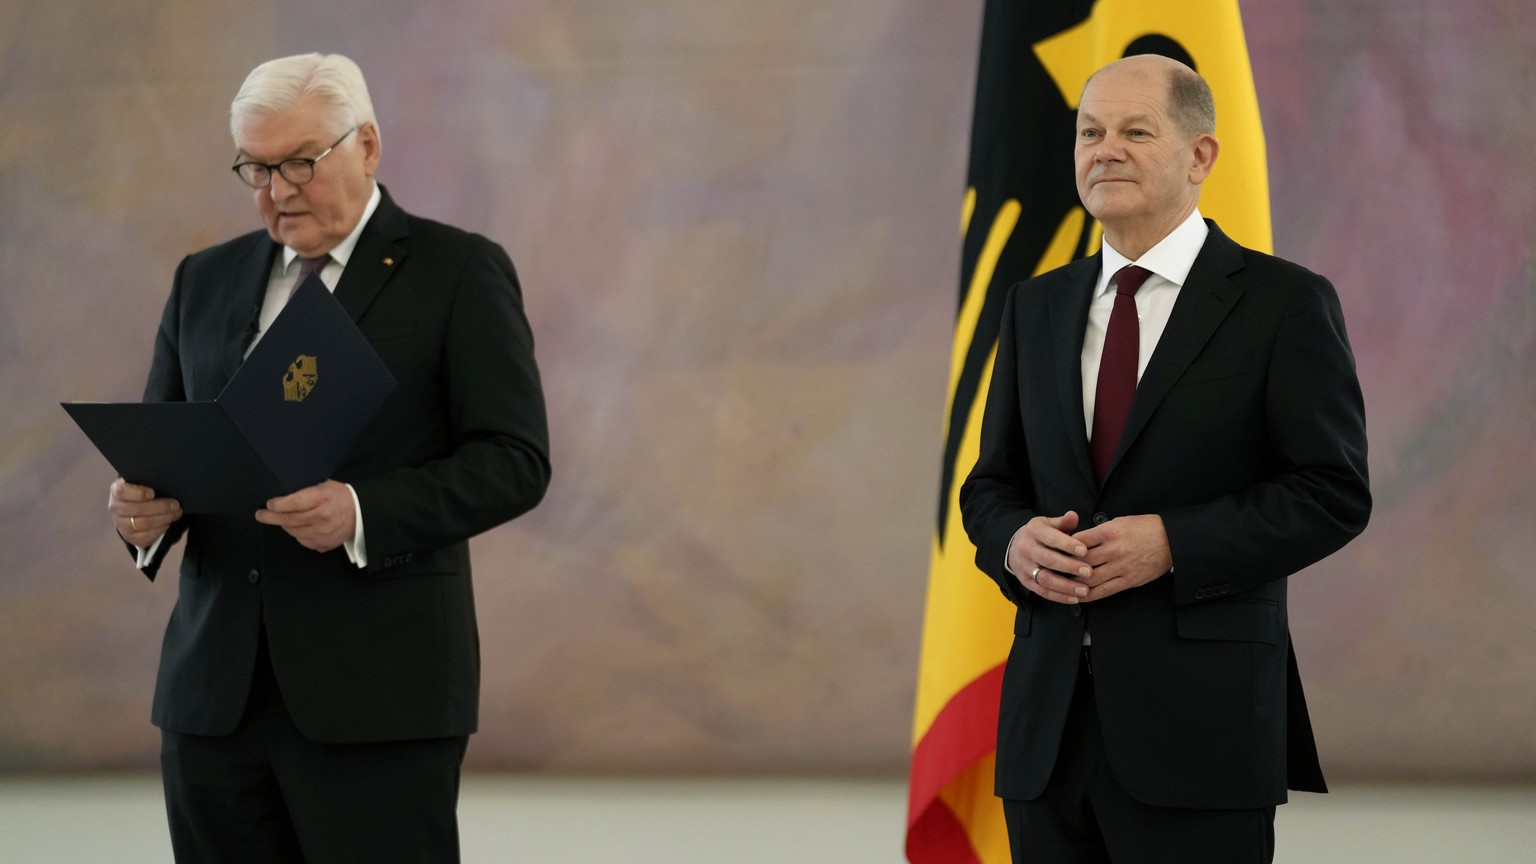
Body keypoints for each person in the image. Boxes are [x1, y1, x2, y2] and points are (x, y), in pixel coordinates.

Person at [105, 53, 550, 863]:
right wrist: (141, 519)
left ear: (369, 146)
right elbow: (164, 454)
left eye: (301, 162)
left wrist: (361, 511)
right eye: (257, 167)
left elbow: (515, 459)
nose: (278, 190)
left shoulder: (458, 273)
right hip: (212, 702)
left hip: (380, 699)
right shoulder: (202, 279)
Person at [959, 54, 1369, 864]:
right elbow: (990, 484)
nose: (1103, 150)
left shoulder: (1283, 304)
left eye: (1134, 131)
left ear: (1200, 155)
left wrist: (1173, 544)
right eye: (1089, 132)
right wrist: (1013, 541)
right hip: (1045, 739)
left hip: (1202, 735)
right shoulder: (1034, 304)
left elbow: (1332, 493)